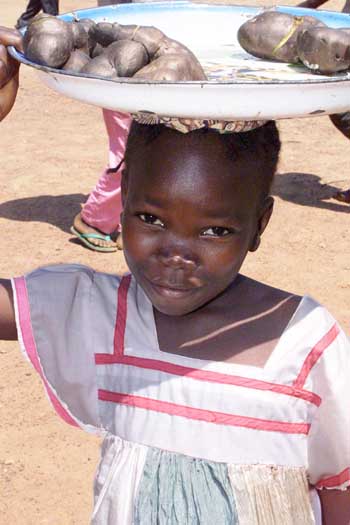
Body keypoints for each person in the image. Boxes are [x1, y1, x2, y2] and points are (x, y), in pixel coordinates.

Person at [1, 116, 350, 524]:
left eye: (215, 230)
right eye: (151, 219)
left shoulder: (306, 341)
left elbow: (338, 485)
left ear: (259, 224)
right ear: (124, 195)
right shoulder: (101, 312)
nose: (176, 253)